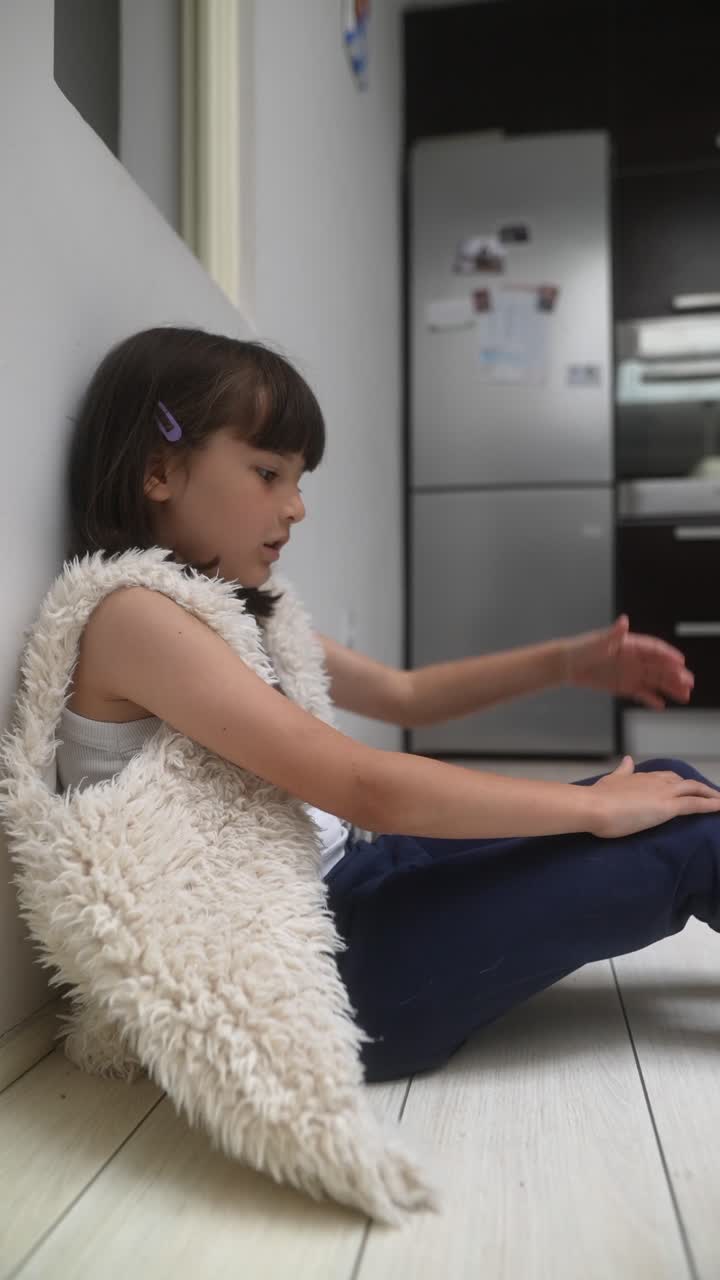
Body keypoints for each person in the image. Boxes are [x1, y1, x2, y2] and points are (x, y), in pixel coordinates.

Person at [60, 324, 720, 1084]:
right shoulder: (134, 617)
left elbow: (407, 695)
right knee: (686, 838)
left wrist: (570, 662)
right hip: (321, 975)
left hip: (361, 876)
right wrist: (591, 810)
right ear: (158, 471)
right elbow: (361, 784)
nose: (297, 507)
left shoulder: (235, 611)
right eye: (269, 473)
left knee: (675, 792)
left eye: (299, 479)